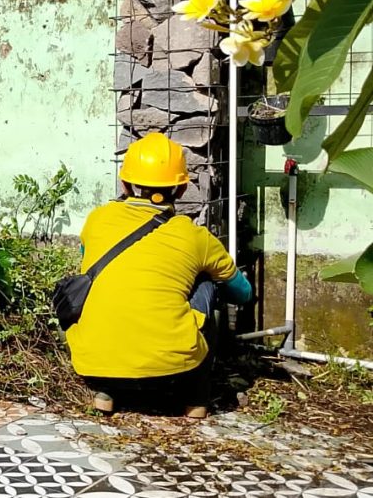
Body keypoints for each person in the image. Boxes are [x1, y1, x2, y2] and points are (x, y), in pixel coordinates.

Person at [65, 133, 252, 419]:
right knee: (206, 283)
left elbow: (85, 262)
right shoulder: (194, 236)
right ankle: (196, 398)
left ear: (125, 183)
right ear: (181, 189)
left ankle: (106, 392)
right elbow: (242, 293)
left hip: (92, 361)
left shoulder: (97, 219)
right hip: (171, 367)